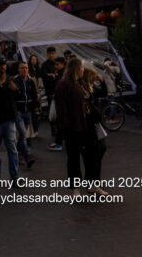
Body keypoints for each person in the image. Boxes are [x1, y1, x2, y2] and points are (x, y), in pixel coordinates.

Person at [54, 57, 87, 191]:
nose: (83, 70)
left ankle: (86, 184)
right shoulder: (64, 85)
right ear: (76, 68)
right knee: (73, 158)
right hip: (72, 127)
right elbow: (61, 109)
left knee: (83, 156)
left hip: (81, 125)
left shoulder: (79, 83)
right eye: (81, 67)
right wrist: (65, 126)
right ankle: (75, 187)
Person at [81, 66, 107, 189]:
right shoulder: (84, 90)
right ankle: (92, 182)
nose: (94, 79)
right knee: (94, 152)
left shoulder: (91, 88)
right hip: (89, 124)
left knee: (97, 150)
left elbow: (103, 93)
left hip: (93, 124)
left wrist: (102, 82)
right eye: (93, 77)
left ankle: (90, 179)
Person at [15, 61, 38, 168]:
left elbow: (34, 96)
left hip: (27, 112)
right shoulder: (15, 82)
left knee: (21, 136)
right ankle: (27, 156)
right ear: (18, 69)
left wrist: (33, 109)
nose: (25, 69)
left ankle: (18, 155)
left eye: (26, 68)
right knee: (23, 134)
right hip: (18, 112)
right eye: (22, 68)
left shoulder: (30, 82)